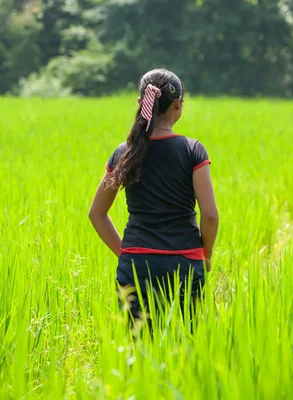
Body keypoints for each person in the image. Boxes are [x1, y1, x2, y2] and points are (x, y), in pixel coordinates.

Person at [88, 68, 219, 330]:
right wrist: (206, 254)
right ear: (178, 105)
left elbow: (96, 214)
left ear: (141, 103)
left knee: (138, 353)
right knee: (187, 349)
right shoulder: (192, 150)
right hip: (184, 262)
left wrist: (125, 252)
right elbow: (210, 215)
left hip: (136, 265)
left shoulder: (125, 152)